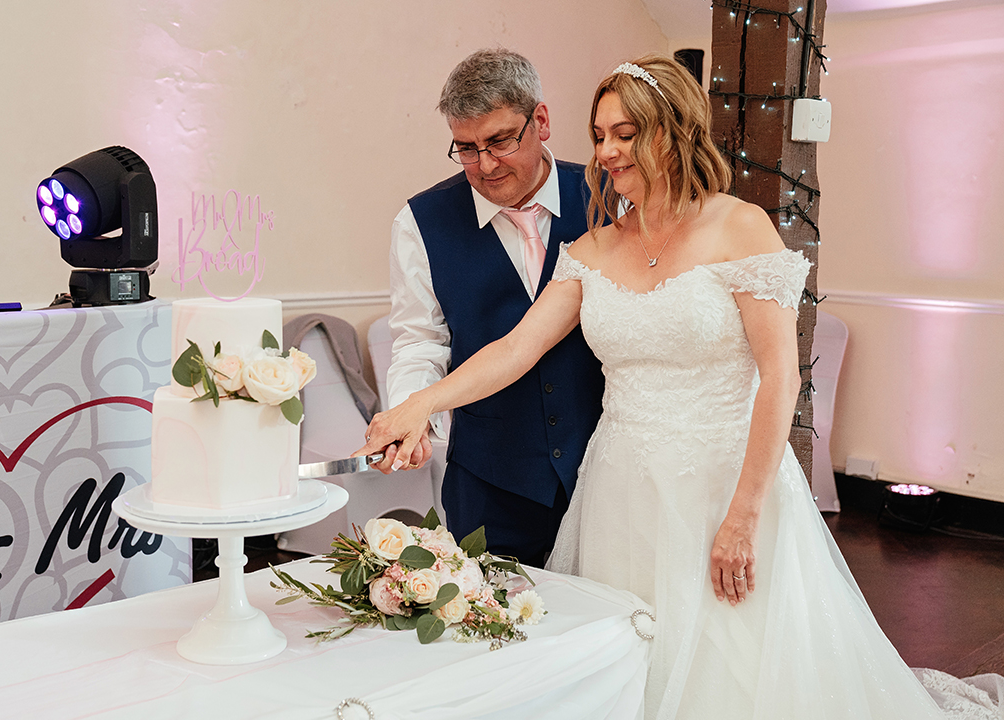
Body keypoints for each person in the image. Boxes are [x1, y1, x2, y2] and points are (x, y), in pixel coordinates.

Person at [358, 55, 1001, 718]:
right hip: (621, 487)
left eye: (626, 133)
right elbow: (515, 349)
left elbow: (781, 377)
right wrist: (417, 405)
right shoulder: (595, 248)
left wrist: (744, 515)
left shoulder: (739, 226)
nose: (606, 150)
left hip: (726, 482)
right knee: (631, 660)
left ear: (674, 130)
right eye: (601, 133)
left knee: (738, 667)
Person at [378, 48, 604, 568]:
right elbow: (421, 340)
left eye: (500, 141)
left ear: (540, 121)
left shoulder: (607, 198)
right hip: (489, 481)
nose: (484, 164)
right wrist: (414, 418)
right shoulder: (419, 222)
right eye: (466, 147)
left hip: (603, 469)